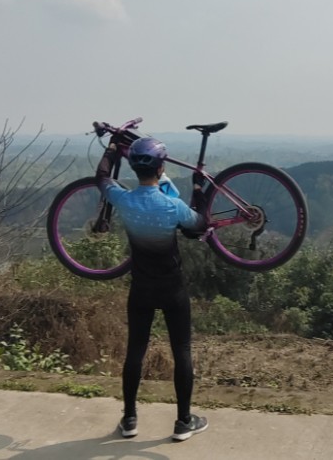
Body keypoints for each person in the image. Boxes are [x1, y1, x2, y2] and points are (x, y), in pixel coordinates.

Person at [96, 136, 209, 442]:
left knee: (135, 351)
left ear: (133, 168)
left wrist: (110, 148)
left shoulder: (124, 200)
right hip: (173, 289)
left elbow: (102, 177)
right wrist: (199, 189)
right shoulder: (172, 206)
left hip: (141, 290)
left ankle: (130, 419)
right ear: (161, 169)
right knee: (182, 351)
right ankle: (184, 421)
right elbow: (199, 225)